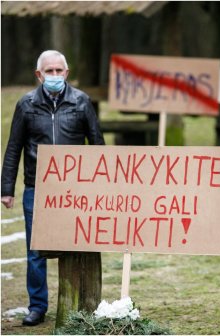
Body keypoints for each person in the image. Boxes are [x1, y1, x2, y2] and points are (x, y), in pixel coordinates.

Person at [1, 50, 105, 326]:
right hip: (38, 188)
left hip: (76, 190)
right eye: (50, 71)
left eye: (60, 71)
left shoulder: (82, 102)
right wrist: (6, 188)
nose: (55, 76)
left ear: (67, 73)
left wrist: (105, 185)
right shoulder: (26, 105)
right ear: (39, 75)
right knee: (36, 249)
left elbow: (97, 145)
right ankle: (37, 306)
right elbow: (13, 148)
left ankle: (79, 302)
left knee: (77, 245)